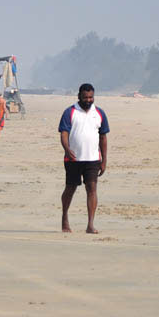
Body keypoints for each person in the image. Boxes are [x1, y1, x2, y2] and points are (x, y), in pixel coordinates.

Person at [58, 83, 109, 234]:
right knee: (70, 188)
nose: (88, 100)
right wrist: (67, 149)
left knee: (92, 188)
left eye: (91, 97)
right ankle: (65, 217)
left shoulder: (99, 113)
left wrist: (104, 160)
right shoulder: (70, 112)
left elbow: (103, 137)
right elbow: (64, 133)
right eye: (85, 97)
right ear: (79, 96)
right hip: (73, 159)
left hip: (93, 159)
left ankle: (90, 224)